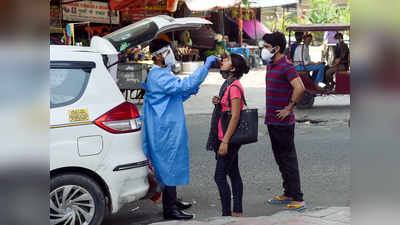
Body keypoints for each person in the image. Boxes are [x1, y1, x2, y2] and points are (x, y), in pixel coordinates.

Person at [142, 38, 218, 220]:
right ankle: (170, 209)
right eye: (168, 51)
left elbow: (173, 95)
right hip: (164, 129)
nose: (171, 55)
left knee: (172, 164)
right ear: (158, 55)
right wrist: (205, 67)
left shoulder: (161, 73)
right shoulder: (158, 75)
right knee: (168, 166)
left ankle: (173, 201)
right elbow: (182, 86)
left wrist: (188, 91)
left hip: (168, 126)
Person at [261, 32, 307, 211]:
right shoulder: (271, 65)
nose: (263, 51)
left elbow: (300, 87)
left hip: (283, 123)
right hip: (272, 121)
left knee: (288, 160)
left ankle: (298, 198)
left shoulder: (286, 66)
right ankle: (288, 192)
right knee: (280, 159)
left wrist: (289, 108)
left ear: (276, 48)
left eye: (265, 47)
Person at [207, 53, 249, 217]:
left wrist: (225, 141)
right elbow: (227, 108)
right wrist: (219, 101)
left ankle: (226, 215)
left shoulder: (234, 87)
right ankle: (237, 211)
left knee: (219, 176)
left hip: (229, 138)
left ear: (232, 69)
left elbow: (236, 116)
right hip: (224, 135)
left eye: (227, 61)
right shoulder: (227, 84)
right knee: (233, 172)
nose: (223, 61)